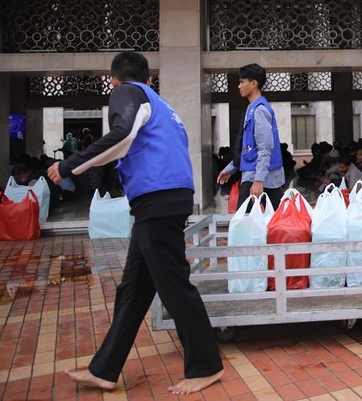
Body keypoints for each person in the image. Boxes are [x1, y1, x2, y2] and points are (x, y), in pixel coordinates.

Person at [47, 51, 224, 394]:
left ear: (114, 80)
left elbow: (122, 134)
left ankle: (206, 365)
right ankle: (105, 368)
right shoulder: (162, 105)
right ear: (151, 78)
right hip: (162, 200)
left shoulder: (127, 92)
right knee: (133, 290)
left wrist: (70, 165)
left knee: (174, 285)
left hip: (158, 201)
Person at [217, 63, 285, 209]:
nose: (239, 86)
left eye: (242, 82)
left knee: (246, 221)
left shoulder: (259, 110)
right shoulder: (252, 108)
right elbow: (248, 147)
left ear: (254, 83)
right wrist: (230, 168)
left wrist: (259, 180)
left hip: (259, 176)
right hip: (255, 174)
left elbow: (265, 147)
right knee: (270, 219)